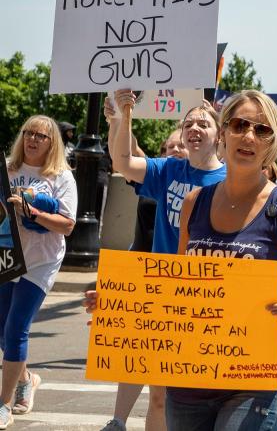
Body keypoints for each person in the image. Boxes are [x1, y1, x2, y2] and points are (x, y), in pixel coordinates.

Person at [165, 90, 277, 428]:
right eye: (240, 125)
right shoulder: (194, 202)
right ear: (223, 134)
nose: (249, 136)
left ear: (272, 143)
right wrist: (118, 302)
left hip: (255, 376)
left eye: (262, 130)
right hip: (190, 371)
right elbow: (175, 284)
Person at [102, 92, 227, 431]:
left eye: (203, 123)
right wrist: (123, 115)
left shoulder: (232, 181)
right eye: (188, 124)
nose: (194, 128)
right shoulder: (168, 169)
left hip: (210, 300)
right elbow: (123, 162)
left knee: (197, 397)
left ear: (219, 134)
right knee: (159, 395)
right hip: (163, 295)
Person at [0, 116, 77, 429]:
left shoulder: (61, 177)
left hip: (41, 262)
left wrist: (31, 211)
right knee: (2, 329)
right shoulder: (7, 168)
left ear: (52, 142)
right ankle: (27, 378)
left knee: (17, 327)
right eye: (28, 133)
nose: (32, 139)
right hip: (7, 255)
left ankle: (3, 404)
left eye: (41, 136)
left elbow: (68, 225)